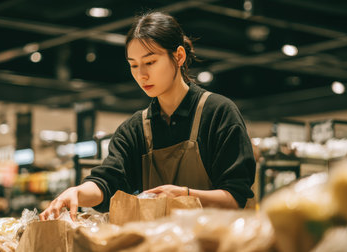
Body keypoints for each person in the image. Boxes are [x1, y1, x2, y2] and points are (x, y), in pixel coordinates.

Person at [40, 11, 256, 221]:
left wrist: (185, 196)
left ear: (179, 56)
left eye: (150, 62)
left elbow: (235, 197)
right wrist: (77, 192)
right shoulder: (134, 129)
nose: (141, 74)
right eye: (133, 65)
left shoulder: (218, 113)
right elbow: (107, 181)